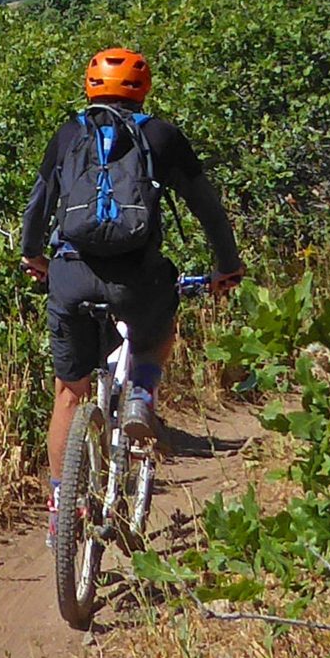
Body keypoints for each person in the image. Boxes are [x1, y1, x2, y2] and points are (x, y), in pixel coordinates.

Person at [19, 46, 244, 536]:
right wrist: (227, 266)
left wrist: (33, 255)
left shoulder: (69, 134)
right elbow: (208, 208)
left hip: (71, 275)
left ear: (89, 87)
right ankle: (141, 392)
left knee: (68, 393)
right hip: (138, 278)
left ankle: (62, 505)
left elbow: (37, 206)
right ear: (143, 91)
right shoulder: (160, 136)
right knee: (156, 329)